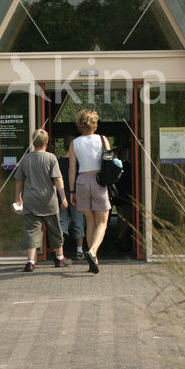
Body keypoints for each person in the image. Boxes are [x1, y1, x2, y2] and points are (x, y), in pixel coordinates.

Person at [14, 128, 72, 272]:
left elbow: (19, 181)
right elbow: (58, 179)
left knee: (31, 230)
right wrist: (63, 197)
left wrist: (18, 197)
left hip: (31, 200)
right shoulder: (51, 158)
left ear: (33, 143)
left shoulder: (26, 159)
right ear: (46, 143)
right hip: (49, 200)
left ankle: (30, 262)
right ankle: (59, 258)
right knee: (55, 229)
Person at [69, 110, 111, 274]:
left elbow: (72, 169)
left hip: (81, 182)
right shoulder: (102, 139)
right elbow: (109, 161)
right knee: (102, 222)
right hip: (99, 181)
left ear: (80, 124)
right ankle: (93, 251)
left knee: (90, 222)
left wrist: (72, 191)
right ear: (94, 123)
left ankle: (94, 261)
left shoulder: (75, 143)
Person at [58, 135, 85, 260]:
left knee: (62, 223)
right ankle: (79, 250)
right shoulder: (79, 162)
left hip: (62, 195)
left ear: (64, 147)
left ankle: (60, 252)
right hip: (77, 195)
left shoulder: (59, 162)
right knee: (78, 222)